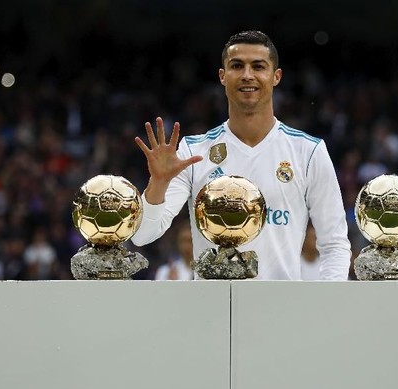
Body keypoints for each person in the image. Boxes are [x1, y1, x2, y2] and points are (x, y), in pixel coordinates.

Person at [132, 30, 351, 280]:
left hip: (281, 313)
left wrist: (326, 312)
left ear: (275, 76)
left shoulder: (308, 151)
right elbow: (142, 236)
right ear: (223, 76)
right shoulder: (193, 151)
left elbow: (334, 244)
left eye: (258, 66)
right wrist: (157, 184)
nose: (248, 75)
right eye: (237, 66)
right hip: (210, 312)